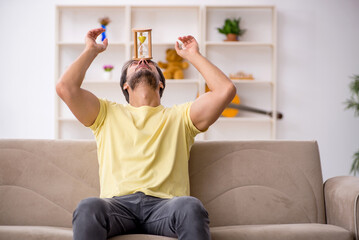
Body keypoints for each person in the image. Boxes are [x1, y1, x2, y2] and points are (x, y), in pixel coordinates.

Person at [56, 28, 236, 240]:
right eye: (134, 64)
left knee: (190, 206)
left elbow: (225, 90)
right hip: (117, 207)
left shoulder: (182, 117)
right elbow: (65, 87)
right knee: (88, 206)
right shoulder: (105, 113)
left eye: (150, 63)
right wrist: (91, 50)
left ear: (160, 83)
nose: (142, 62)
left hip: (166, 207)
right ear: (125, 85)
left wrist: (192, 55)